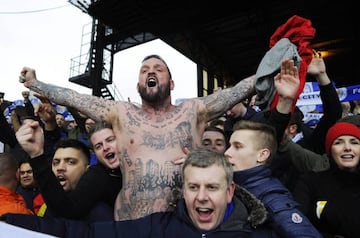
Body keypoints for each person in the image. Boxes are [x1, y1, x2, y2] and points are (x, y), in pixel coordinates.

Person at [19, 54, 257, 220]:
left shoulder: (195, 110)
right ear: (138, 84)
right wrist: (36, 84)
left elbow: (236, 92)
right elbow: (74, 98)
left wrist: (270, 72)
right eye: (144, 71)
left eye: (158, 69)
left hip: (182, 223)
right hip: (130, 224)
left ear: (171, 83)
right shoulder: (121, 112)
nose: (150, 72)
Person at [1, 148, 277, 238]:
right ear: (183, 191)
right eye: (193, 186)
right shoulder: (158, 227)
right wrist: (9, 222)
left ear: (229, 192)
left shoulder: (261, 234)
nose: (202, 197)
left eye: (212, 187)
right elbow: (85, 232)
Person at [225, 120, 322, 237]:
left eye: (238, 146)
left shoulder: (272, 196)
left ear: (262, 155)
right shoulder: (232, 184)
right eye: (230, 146)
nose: (227, 152)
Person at [15, 119, 122, 221]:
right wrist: (36, 154)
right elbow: (66, 209)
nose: (105, 147)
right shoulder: (46, 207)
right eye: (98, 146)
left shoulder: (101, 212)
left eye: (110, 140)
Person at [292, 122, 360, 237]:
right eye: (338, 142)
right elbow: (297, 225)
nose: (347, 148)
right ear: (330, 151)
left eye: (354, 142)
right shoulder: (310, 182)